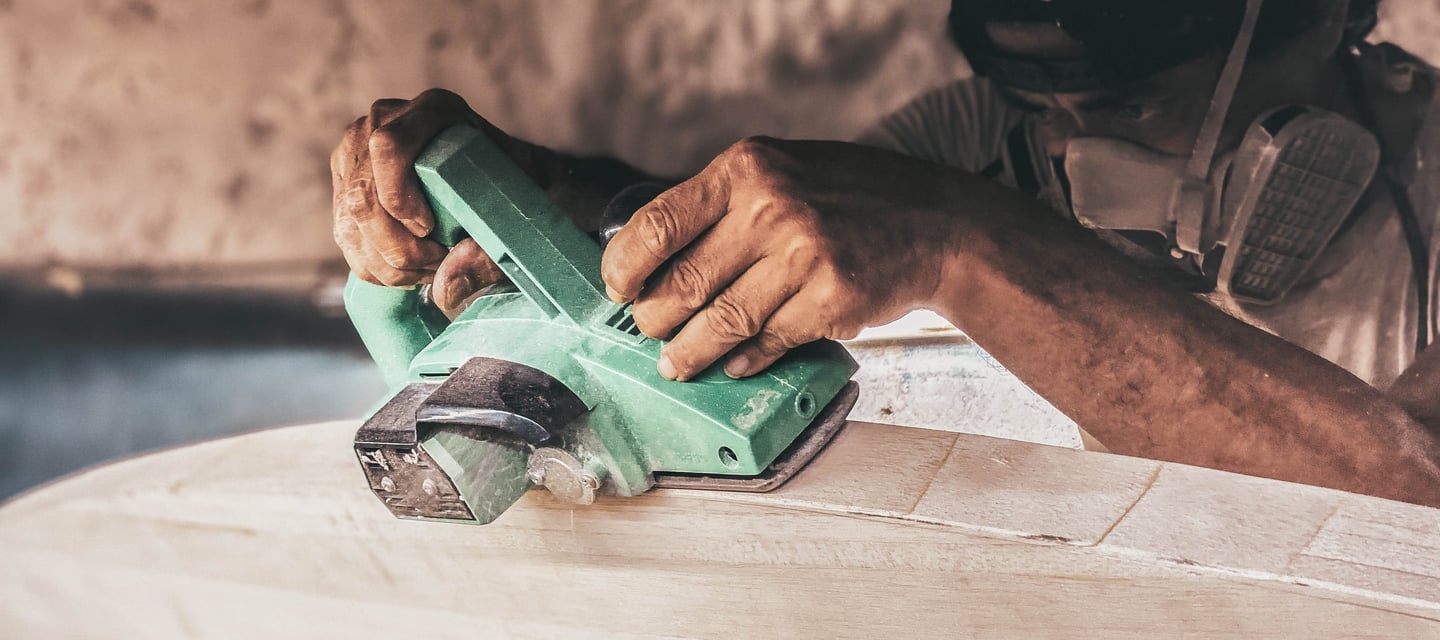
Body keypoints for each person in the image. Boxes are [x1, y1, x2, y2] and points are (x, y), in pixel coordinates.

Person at [331, 0, 1440, 507]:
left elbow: (1418, 490)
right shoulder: (975, 137)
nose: (1070, 145)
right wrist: (538, 202)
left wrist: (965, 237)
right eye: (1038, 102)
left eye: (1134, 104)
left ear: (1314, 21)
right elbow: (748, 265)